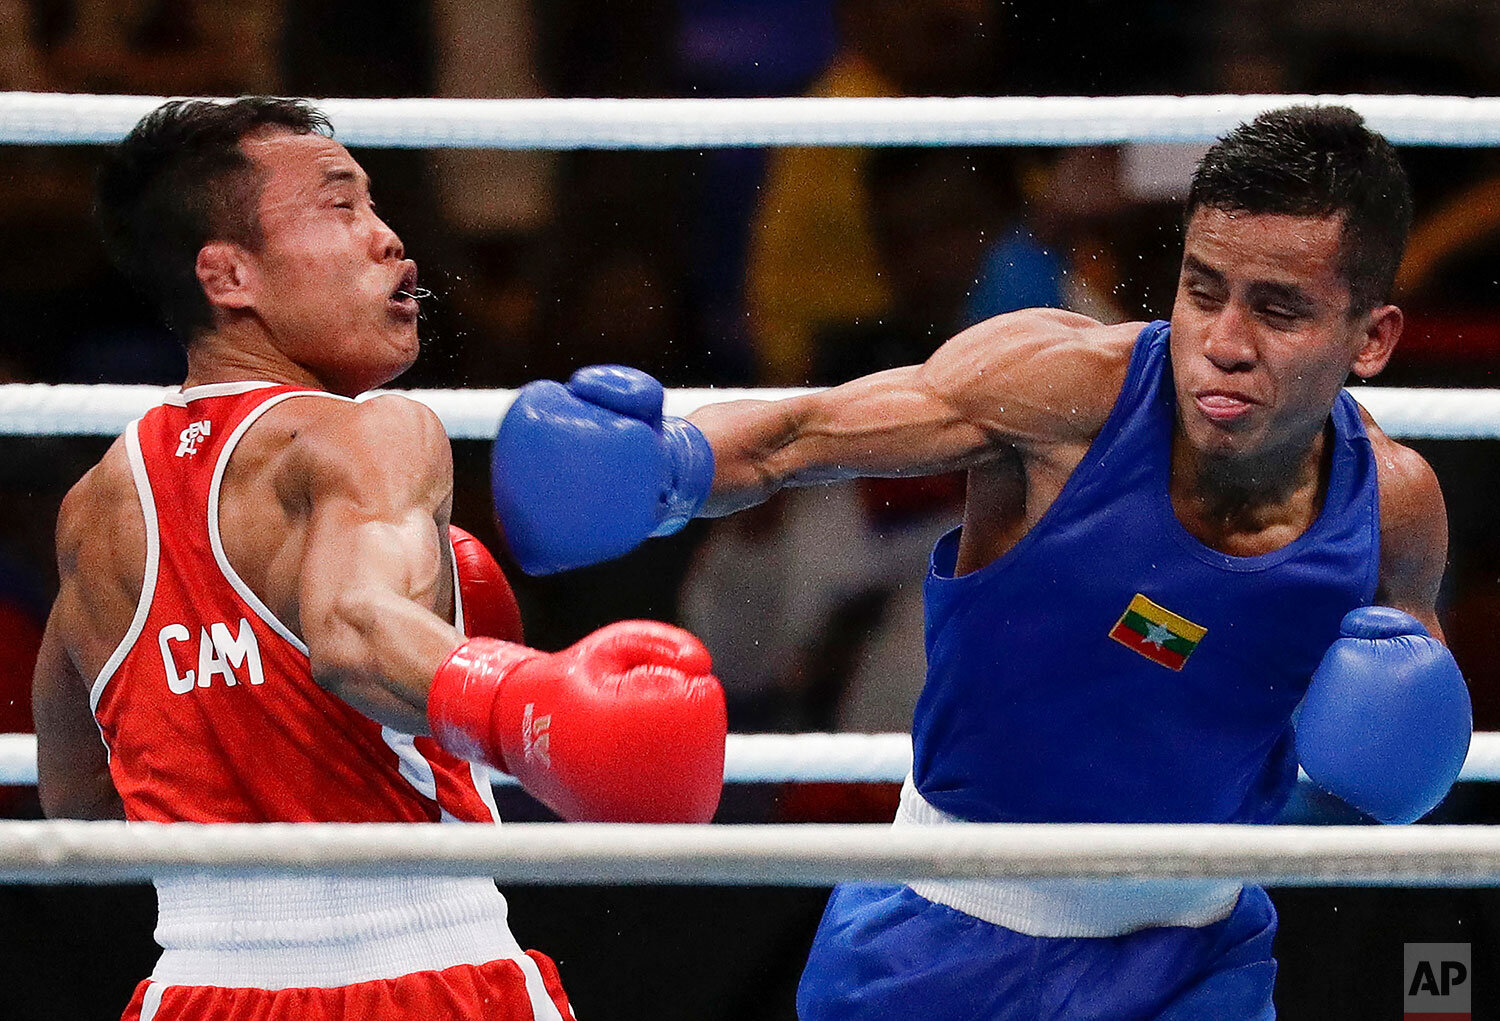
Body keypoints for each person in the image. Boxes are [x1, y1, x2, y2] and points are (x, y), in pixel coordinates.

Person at [489, 105, 1473, 1018]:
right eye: (1203, 289)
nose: (1223, 343)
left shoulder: (1392, 506)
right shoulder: (1062, 395)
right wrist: (669, 465)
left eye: (1280, 310)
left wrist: (1371, 778)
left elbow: (1376, 759)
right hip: (944, 936)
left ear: (1372, 336)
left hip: (1198, 959)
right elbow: (805, 433)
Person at [31, 97, 728, 1021]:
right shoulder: (370, 435)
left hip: (193, 987)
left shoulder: (93, 510)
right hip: (429, 968)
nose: (390, 240)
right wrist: (534, 705)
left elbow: (74, 791)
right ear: (228, 273)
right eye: (341, 207)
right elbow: (357, 632)